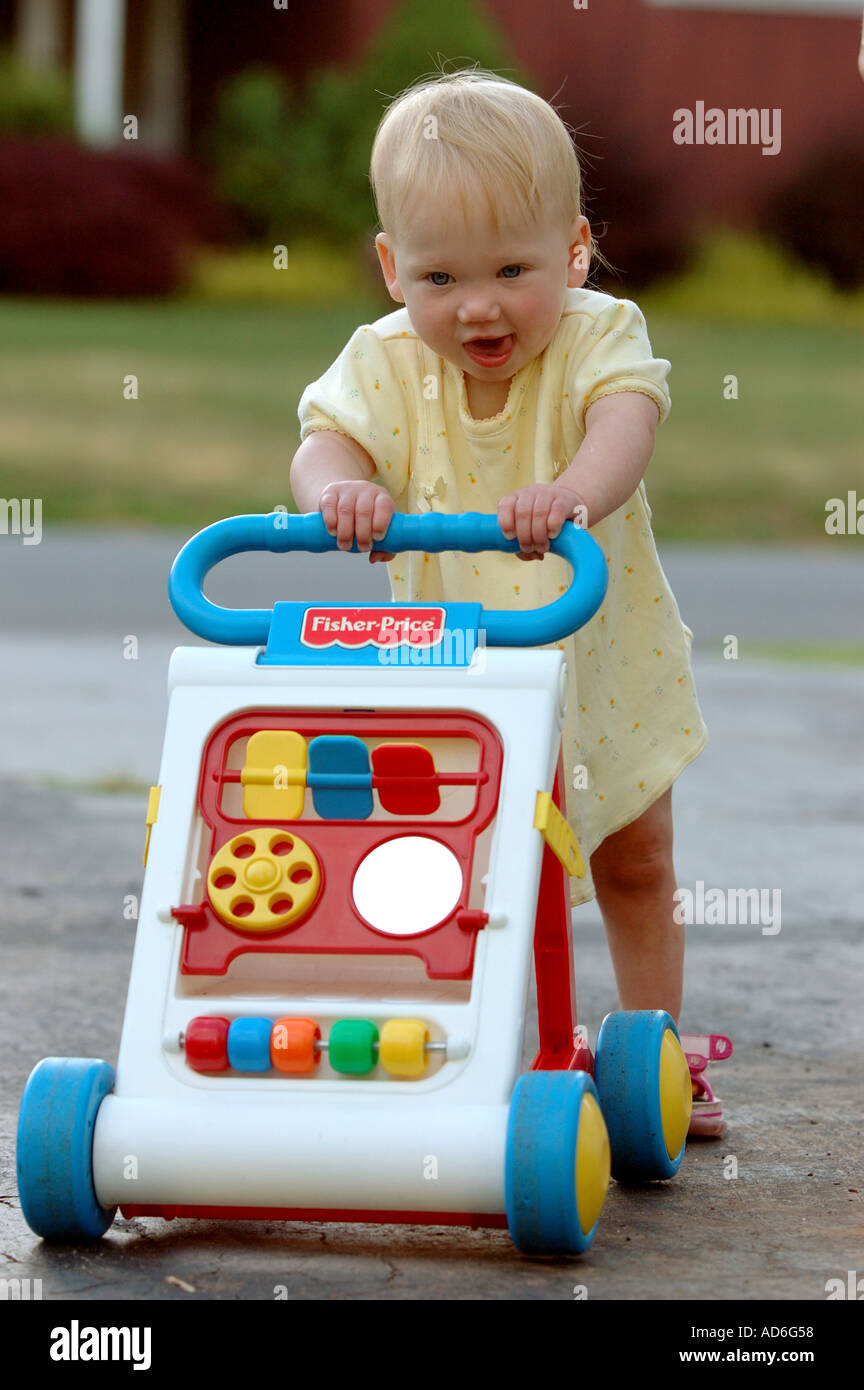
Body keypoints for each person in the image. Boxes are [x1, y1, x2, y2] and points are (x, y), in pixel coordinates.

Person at [290, 68, 731, 1135]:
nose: (478, 305)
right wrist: (338, 488)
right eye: (440, 275)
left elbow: (625, 428)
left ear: (573, 251)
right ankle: (455, 1047)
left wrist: (572, 494)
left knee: (636, 857)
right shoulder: (385, 362)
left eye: (513, 270)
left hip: (597, 662)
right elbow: (325, 440)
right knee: (443, 863)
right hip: (450, 673)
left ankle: (653, 1055)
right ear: (393, 268)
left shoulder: (597, 335)